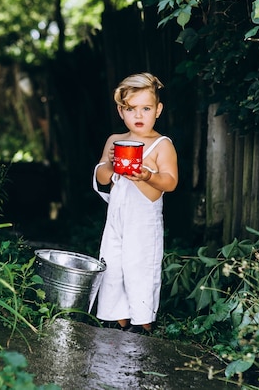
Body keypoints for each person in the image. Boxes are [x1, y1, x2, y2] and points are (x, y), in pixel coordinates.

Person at [93, 72, 178, 334]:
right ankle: (115, 317)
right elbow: (102, 177)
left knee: (140, 266)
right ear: (121, 111)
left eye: (146, 108)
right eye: (131, 109)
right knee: (113, 264)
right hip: (117, 218)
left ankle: (142, 321)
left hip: (143, 220)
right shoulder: (114, 140)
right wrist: (108, 162)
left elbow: (170, 182)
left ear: (158, 110)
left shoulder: (162, 145)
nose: (138, 115)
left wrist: (147, 175)